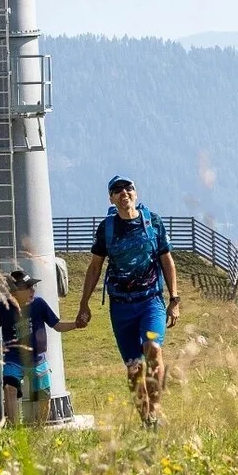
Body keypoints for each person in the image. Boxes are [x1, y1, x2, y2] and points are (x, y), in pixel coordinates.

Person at [75, 175, 180, 429]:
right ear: (111, 198)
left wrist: (174, 299)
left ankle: (155, 409)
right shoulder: (107, 229)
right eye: (117, 190)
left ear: (136, 193)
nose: (124, 192)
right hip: (121, 307)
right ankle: (147, 421)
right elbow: (95, 267)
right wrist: (84, 303)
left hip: (150, 302)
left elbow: (167, 260)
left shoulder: (152, 222)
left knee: (153, 348)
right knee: (134, 368)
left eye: (128, 188)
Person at [0, 270, 86, 426]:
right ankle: (15, 429)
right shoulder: (4, 307)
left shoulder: (39, 304)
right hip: (13, 360)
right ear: (15, 292)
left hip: (38, 359)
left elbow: (57, 325)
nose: (33, 290)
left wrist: (76, 324)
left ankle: (39, 429)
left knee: (44, 398)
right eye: (28, 288)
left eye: (33, 287)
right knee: (9, 388)